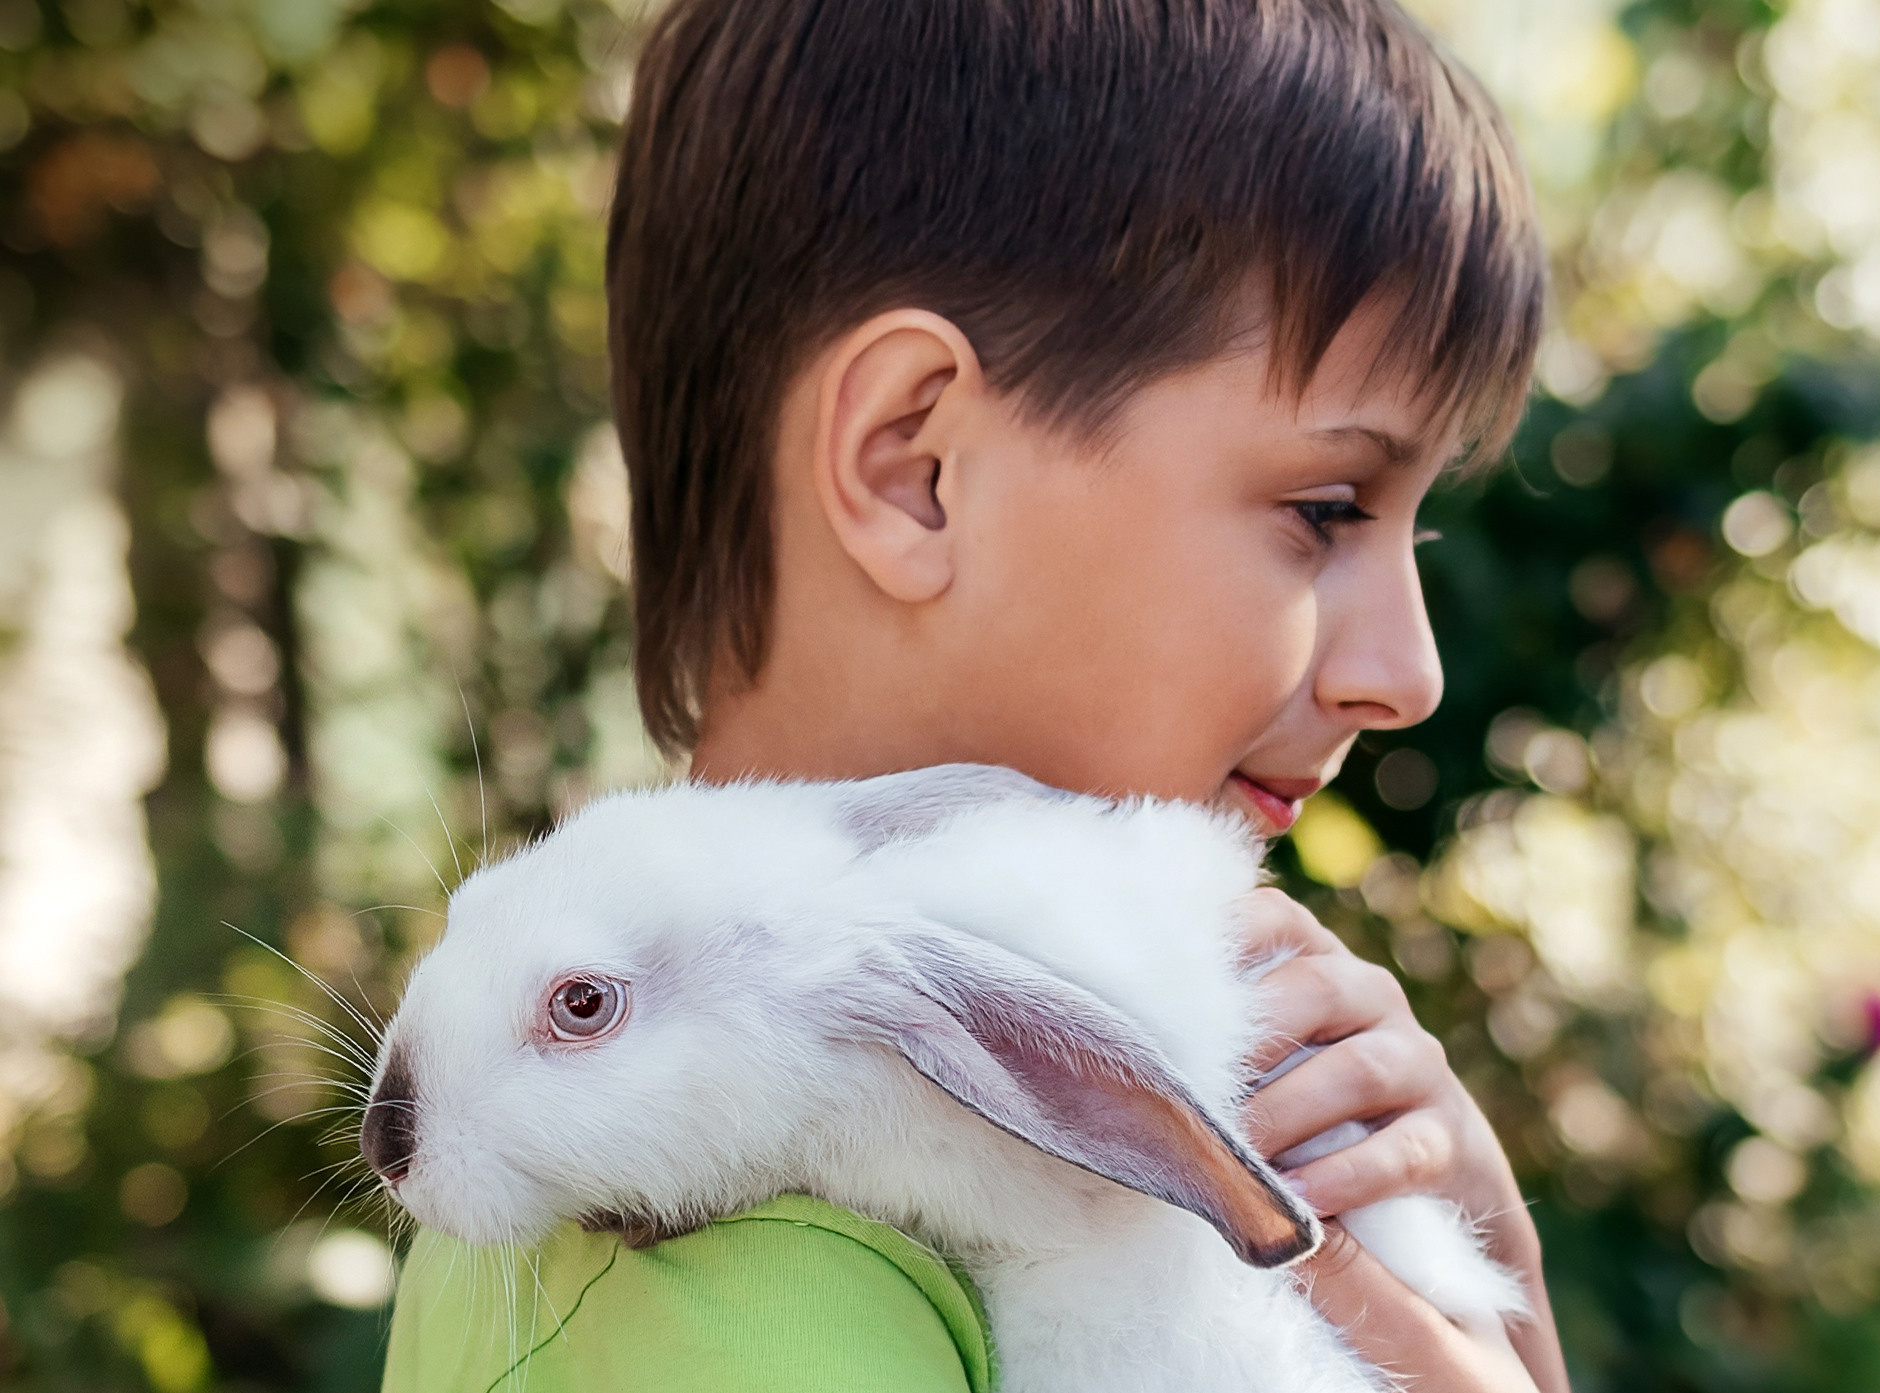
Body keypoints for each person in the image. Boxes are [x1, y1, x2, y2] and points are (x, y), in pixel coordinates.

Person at [382, 0, 1568, 1389]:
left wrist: (1500, 1290)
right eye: (1321, 509)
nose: (1406, 674)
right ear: (913, 468)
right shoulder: (741, 1310)